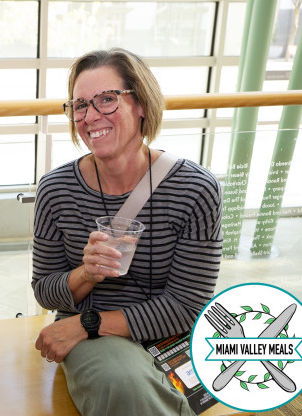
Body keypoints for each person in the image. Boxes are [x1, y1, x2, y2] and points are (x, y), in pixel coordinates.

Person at [32, 48, 222, 416]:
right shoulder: (56, 189)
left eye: (107, 99)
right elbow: (45, 290)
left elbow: (189, 306)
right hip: (98, 344)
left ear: (142, 105)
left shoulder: (195, 188)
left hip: (167, 335)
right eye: (80, 105)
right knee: (124, 382)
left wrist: (86, 324)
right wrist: (86, 274)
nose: (90, 116)